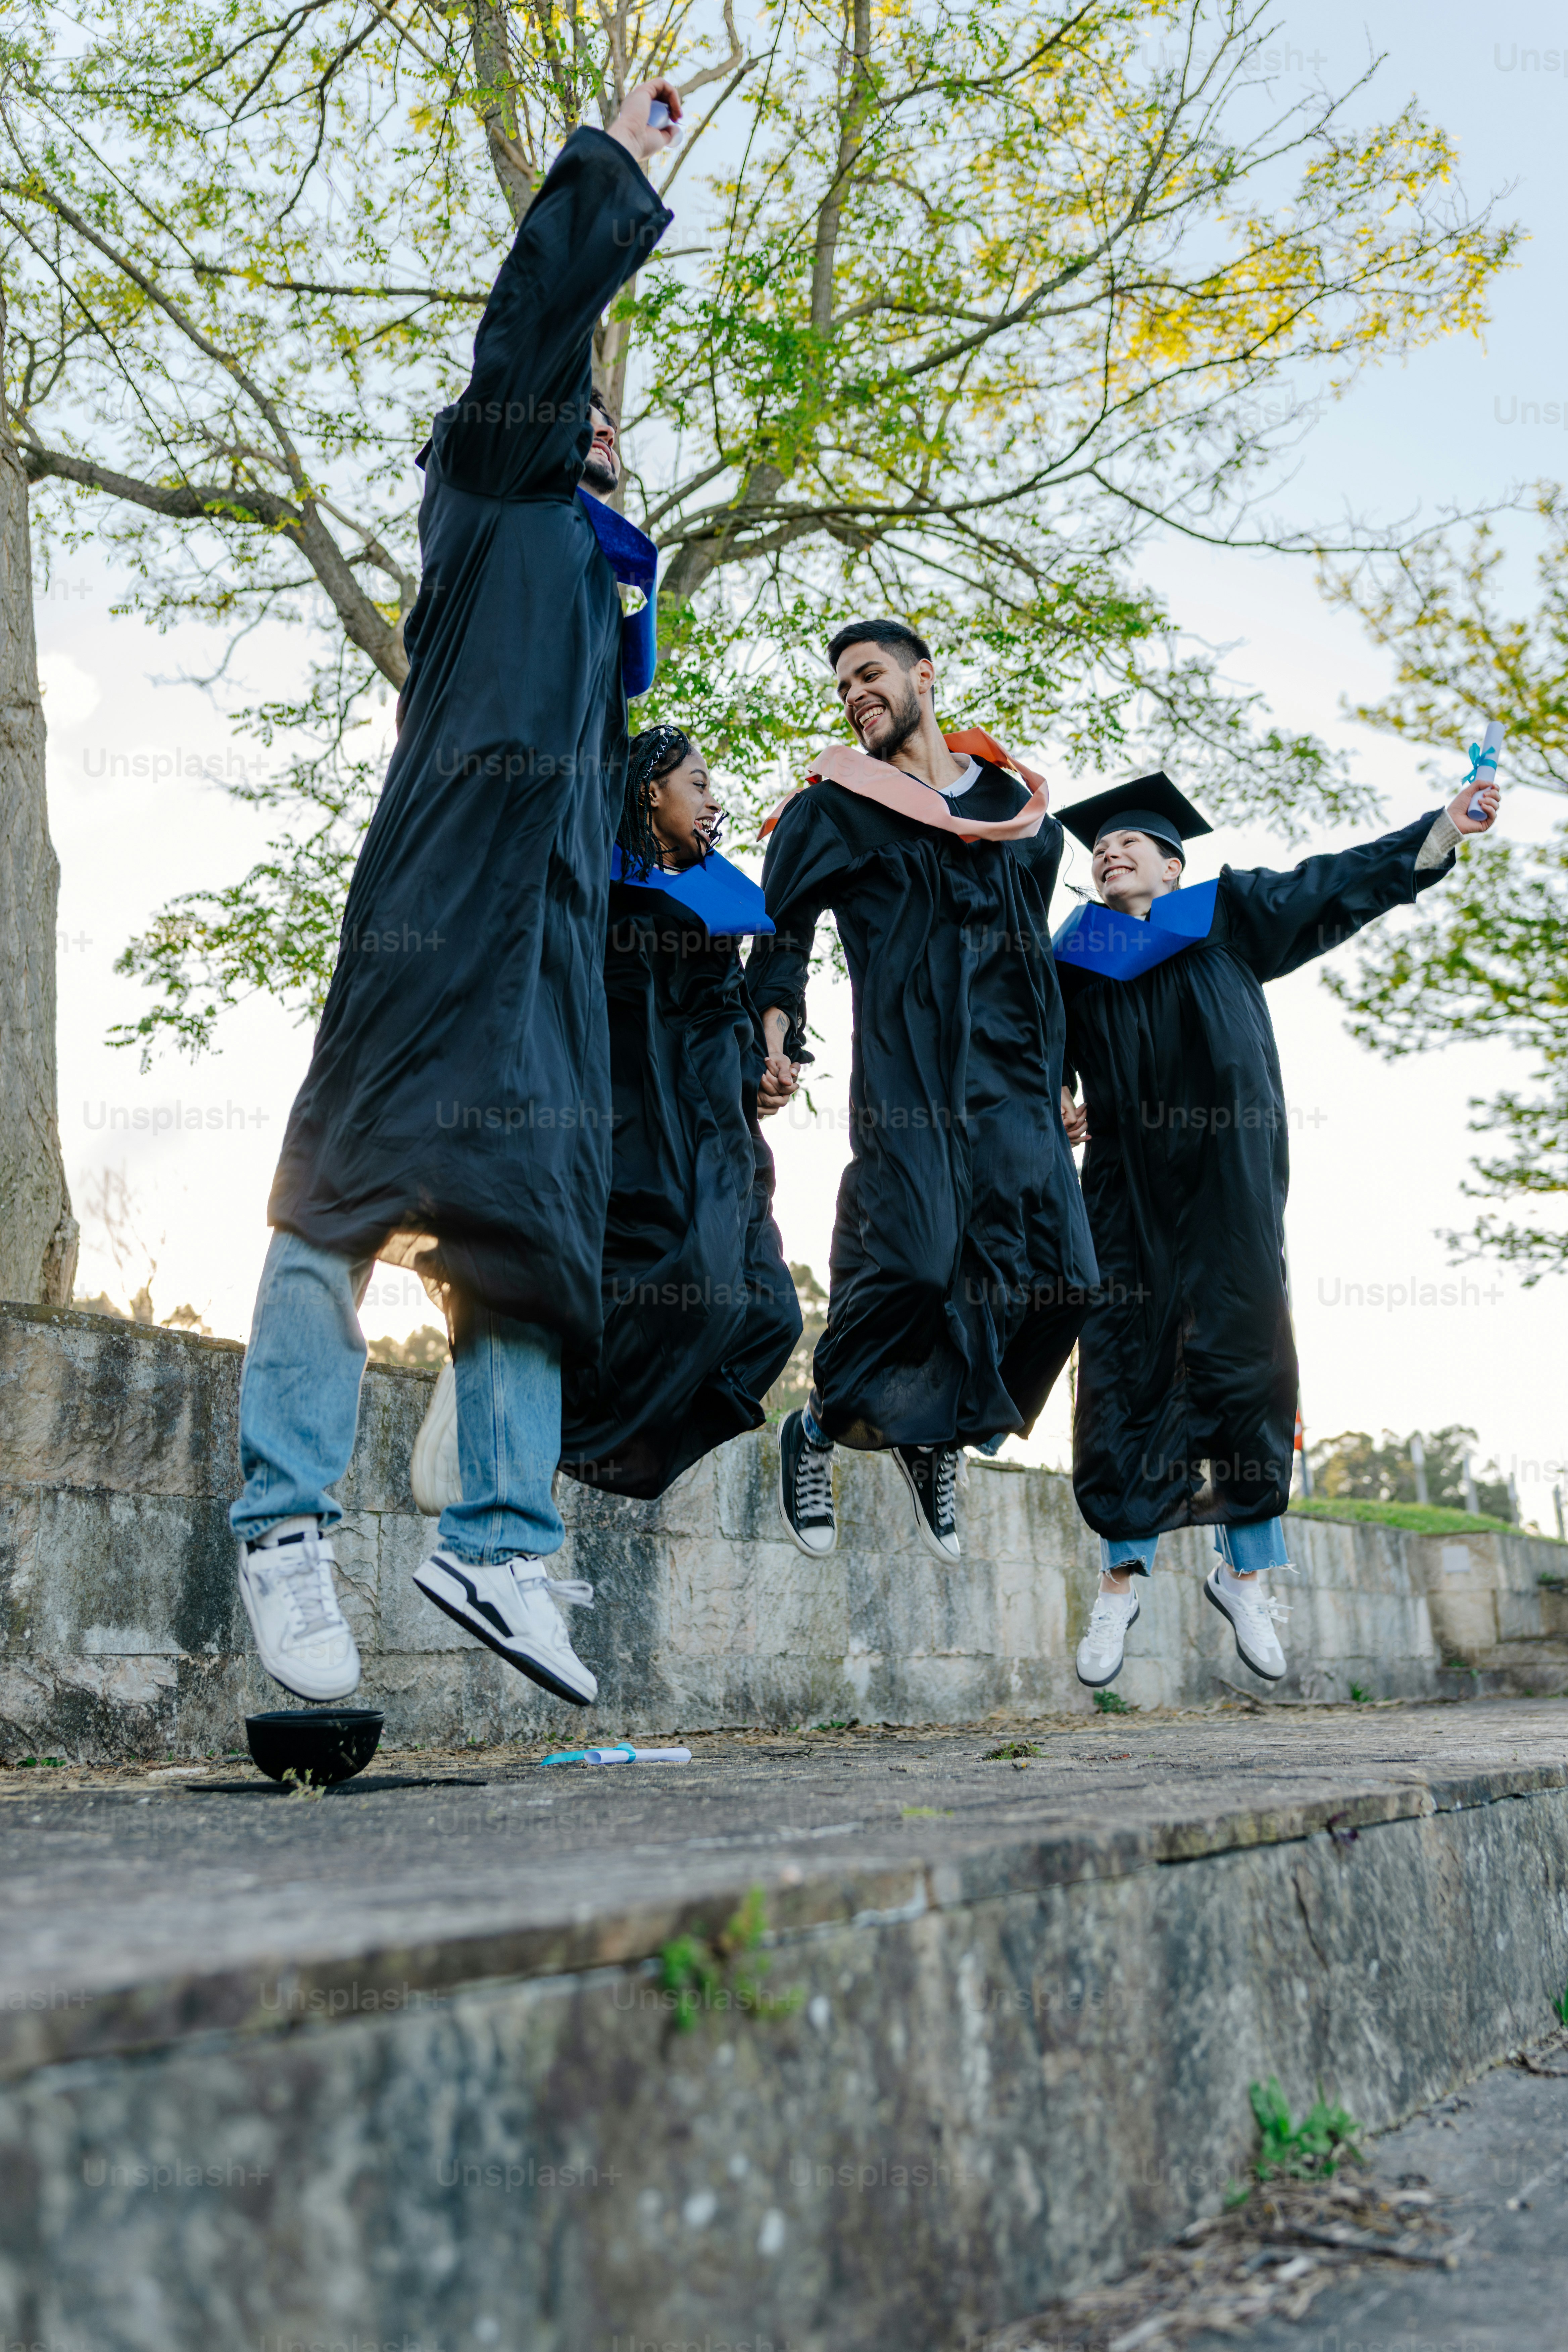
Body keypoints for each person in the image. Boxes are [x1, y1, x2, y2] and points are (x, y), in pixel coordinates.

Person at [229, 84, 681, 1710]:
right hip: (436, 895)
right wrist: (616, 171)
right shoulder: (491, 491)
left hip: (549, 935)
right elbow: (534, 322)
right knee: (338, 1195)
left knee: (532, 1240)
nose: (606, 429)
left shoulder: (600, 594)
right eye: (591, 413)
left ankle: (497, 1539)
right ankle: (280, 1525)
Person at [1054, 768, 1503, 1690]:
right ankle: (1120, 1580)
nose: (1108, 854)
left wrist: (1442, 830)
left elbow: (1332, 883)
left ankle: (1245, 1572)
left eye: (1128, 843)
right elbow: (1031, 1048)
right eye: (1099, 850)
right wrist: (1056, 1096)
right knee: (1123, 1371)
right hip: (1127, 1196)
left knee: (1247, 1361)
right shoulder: (1075, 955)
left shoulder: (1228, 914)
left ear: (1174, 864)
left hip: (1233, 1186)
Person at [747, 619, 1097, 1564]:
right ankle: (819, 1428)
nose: (856, 694)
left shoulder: (1021, 812)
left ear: (924, 677)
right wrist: (772, 1036)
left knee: (1064, 1278)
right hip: (913, 1071)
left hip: (1017, 1082)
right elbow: (781, 936)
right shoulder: (833, 812)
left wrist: (1064, 1073)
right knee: (916, 1260)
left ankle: (941, 1436)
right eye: (844, 686)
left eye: (871, 675)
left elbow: (1035, 956)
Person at [411, 724, 802, 1510]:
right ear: (649, 788)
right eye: (697, 782)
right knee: (660, 1277)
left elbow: (757, 983)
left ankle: (553, 1430)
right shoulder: (593, 877)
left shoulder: (728, 890)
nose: (711, 798)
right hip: (628, 1112)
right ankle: (495, 1386)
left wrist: (773, 1047)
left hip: (717, 1123)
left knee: (767, 1312)